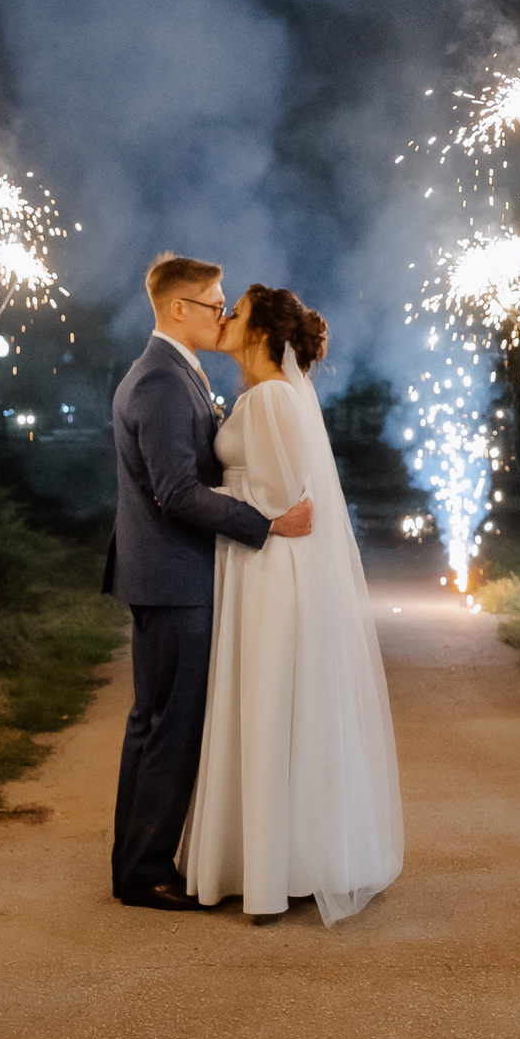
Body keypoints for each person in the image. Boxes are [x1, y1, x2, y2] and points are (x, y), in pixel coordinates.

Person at [177, 287, 403, 922]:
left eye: (236, 311)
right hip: (254, 561)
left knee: (271, 702)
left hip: (270, 567)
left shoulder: (274, 395)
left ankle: (279, 868)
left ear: (259, 332)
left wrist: (226, 497)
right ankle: (264, 859)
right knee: (262, 702)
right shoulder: (260, 394)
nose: (223, 318)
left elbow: (282, 499)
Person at [104, 254, 316, 910]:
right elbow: (176, 492)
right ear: (177, 310)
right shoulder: (162, 382)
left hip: (165, 575)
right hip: (173, 576)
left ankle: (137, 862)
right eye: (212, 303)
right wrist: (265, 524)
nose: (221, 314)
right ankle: (143, 871)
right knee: (169, 726)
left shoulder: (171, 373)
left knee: (155, 721)